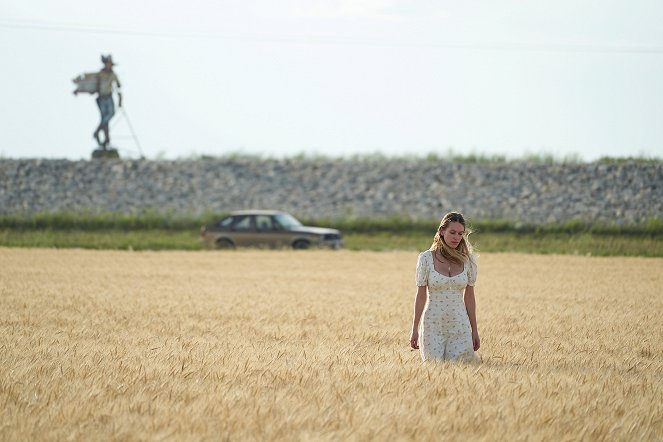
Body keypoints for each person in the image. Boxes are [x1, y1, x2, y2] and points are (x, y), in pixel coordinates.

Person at [409, 211, 480, 362]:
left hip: (459, 325)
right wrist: (414, 329)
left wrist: (474, 330)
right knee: (433, 369)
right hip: (432, 325)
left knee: (462, 372)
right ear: (442, 231)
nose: (456, 237)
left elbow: (469, 296)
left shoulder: (468, 261)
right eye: (452, 232)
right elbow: (421, 295)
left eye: (460, 233)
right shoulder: (426, 258)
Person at [92, 55, 122, 148]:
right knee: (105, 118)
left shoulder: (113, 74)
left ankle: (99, 133)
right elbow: (94, 86)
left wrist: (120, 99)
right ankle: (105, 138)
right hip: (101, 98)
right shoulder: (100, 74)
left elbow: (119, 85)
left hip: (109, 97)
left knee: (109, 115)